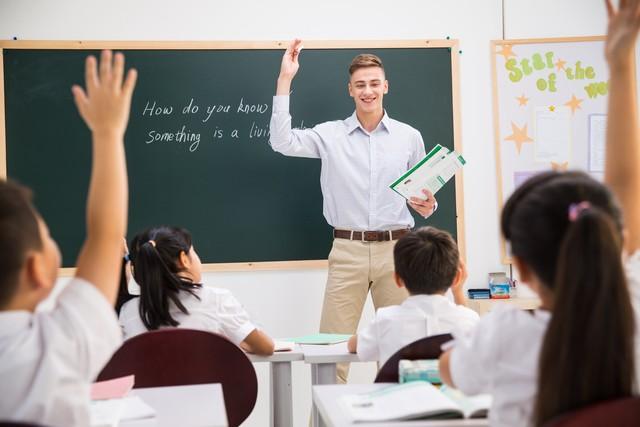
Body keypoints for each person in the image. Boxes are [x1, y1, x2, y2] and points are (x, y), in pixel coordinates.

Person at [438, 2, 639, 425]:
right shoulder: (633, 305)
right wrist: (621, 65)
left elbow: (450, 371)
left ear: (522, 269)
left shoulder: (505, 332)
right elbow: (627, 185)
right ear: (610, 236)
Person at [270, 40, 437, 382]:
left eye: (375, 83)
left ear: (385, 87)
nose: (368, 91)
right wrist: (285, 80)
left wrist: (429, 204)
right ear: (350, 90)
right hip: (347, 251)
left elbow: (425, 194)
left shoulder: (409, 137)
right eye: (360, 85)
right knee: (331, 353)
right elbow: (281, 141)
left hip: (398, 250)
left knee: (401, 355)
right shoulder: (330, 135)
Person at [0, 51, 137, 426]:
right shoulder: (60, 345)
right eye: (46, 235)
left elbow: (103, 238)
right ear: (35, 269)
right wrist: (108, 132)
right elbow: (107, 235)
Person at [118, 226, 275, 356]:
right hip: (211, 394)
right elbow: (266, 347)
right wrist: (234, 343)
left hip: (146, 395)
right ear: (184, 259)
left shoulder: (128, 310)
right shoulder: (217, 300)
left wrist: (122, 275)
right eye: (193, 251)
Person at [347, 226, 478, 365]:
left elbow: (352, 345)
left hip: (401, 387)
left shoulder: (386, 320)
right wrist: (457, 292)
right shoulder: (468, 320)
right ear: (457, 277)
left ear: (398, 279)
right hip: (448, 387)